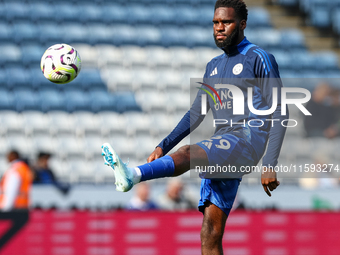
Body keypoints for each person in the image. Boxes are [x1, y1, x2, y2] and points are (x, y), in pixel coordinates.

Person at [101, 0, 287, 254]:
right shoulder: (213, 66)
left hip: (247, 139)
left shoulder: (258, 58)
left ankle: (133, 175)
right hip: (226, 145)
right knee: (210, 234)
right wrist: (163, 145)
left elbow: (279, 109)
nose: (219, 28)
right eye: (216, 23)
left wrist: (270, 162)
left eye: (226, 22)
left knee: (190, 153)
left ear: (242, 24)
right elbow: (197, 112)